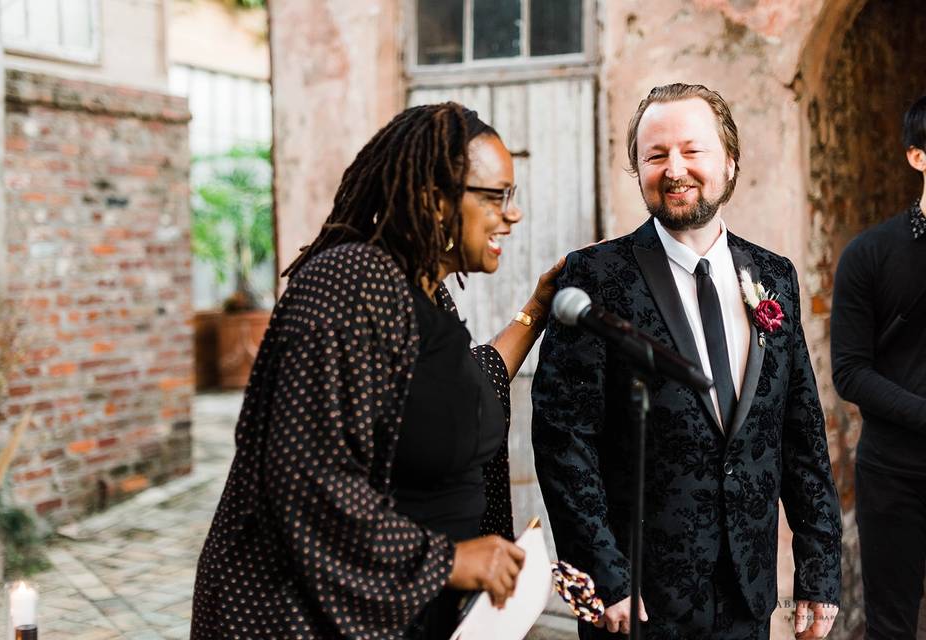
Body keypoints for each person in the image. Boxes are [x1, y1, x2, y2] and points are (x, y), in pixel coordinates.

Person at [190, 103, 562, 639]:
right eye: (497, 195)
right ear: (436, 202)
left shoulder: (422, 294)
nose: (513, 213)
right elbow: (306, 474)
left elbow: (468, 394)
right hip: (307, 621)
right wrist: (449, 561)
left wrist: (537, 308)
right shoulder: (348, 282)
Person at [532, 83, 842, 639]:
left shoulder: (774, 277)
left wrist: (819, 572)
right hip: (640, 604)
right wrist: (605, 576)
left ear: (729, 160)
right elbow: (564, 441)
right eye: (655, 155)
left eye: (691, 150)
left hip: (748, 596)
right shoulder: (596, 277)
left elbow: (800, 431)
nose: (674, 169)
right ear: (638, 169)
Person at [831, 95, 926, 640]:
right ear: (918, 157)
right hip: (893, 474)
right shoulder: (869, 253)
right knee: (891, 627)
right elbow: (850, 371)